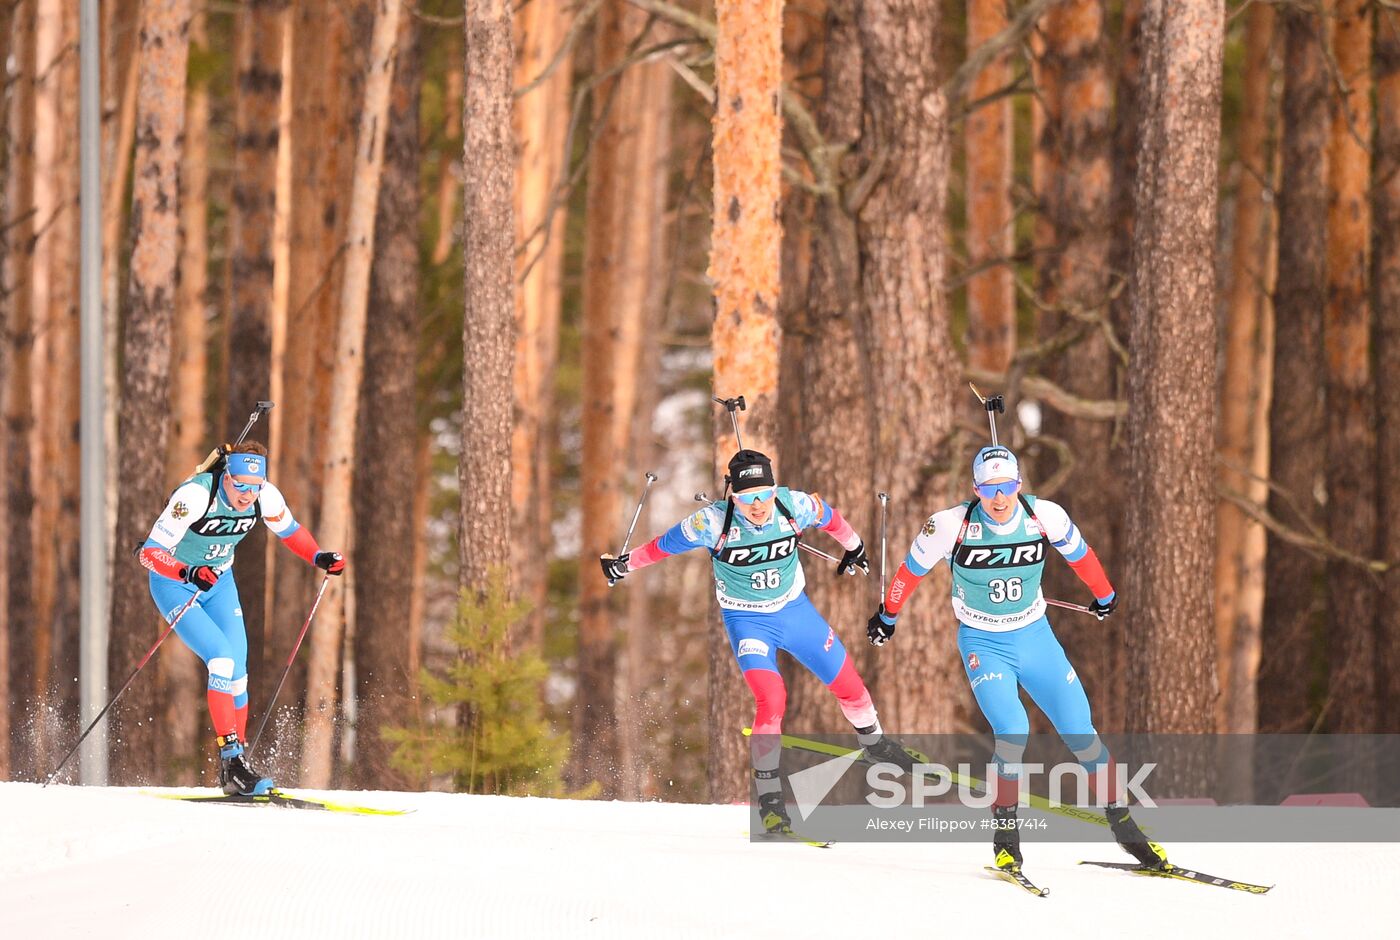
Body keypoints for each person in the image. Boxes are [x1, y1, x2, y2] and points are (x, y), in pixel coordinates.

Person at [867, 445, 1167, 872]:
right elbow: (908, 572)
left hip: (1035, 637)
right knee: (1012, 731)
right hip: (983, 642)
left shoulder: (1046, 515)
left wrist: (1105, 595)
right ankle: (1006, 837)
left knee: (1081, 730)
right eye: (989, 489)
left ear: (1019, 485)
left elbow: (1079, 555)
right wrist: (887, 616)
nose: (999, 497)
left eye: (1006, 487)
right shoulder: (951, 525)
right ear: (975, 490)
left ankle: (1123, 824)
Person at [601, 449, 914, 838]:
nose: (759, 506)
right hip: (748, 623)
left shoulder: (792, 504)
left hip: (795, 613)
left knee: (849, 684)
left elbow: (830, 517)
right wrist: (622, 564)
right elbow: (661, 547)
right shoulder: (711, 521)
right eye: (748, 498)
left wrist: (855, 547)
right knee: (772, 697)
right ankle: (770, 799)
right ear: (733, 495)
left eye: (764, 494)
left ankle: (874, 744)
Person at [138, 441, 345, 795]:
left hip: (219, 582)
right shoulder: (195, 496)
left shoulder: (265, 496)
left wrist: (318, 556)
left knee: (238, 673)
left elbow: (290, 531)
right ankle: (232, 759)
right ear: (225, 477)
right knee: (219, 658)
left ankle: (236, 767)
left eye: (255, 486)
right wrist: (187, 573)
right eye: (240, 485)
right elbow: (149, 553)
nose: (248, 495)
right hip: (176, 584)